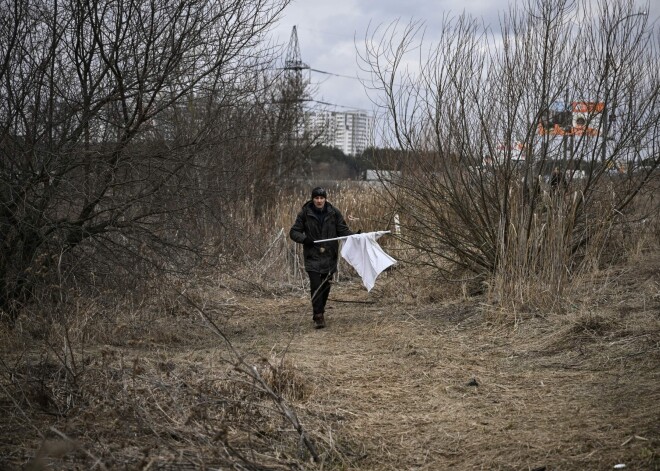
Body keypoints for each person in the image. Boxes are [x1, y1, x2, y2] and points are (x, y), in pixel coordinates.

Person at [290, 187, 355, 329]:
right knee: (315, 285)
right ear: (313, 199)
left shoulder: (334, 213)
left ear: (325, 199)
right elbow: (294, 232)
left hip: (329, 255)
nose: (319, 200)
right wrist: (304, 239)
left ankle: (320, 310)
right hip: (312, 255)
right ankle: (318, 315)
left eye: (321, 198)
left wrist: (355, 236)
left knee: (325, 286)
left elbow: (342, 230)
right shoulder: (305, 214)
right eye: (316, 198)